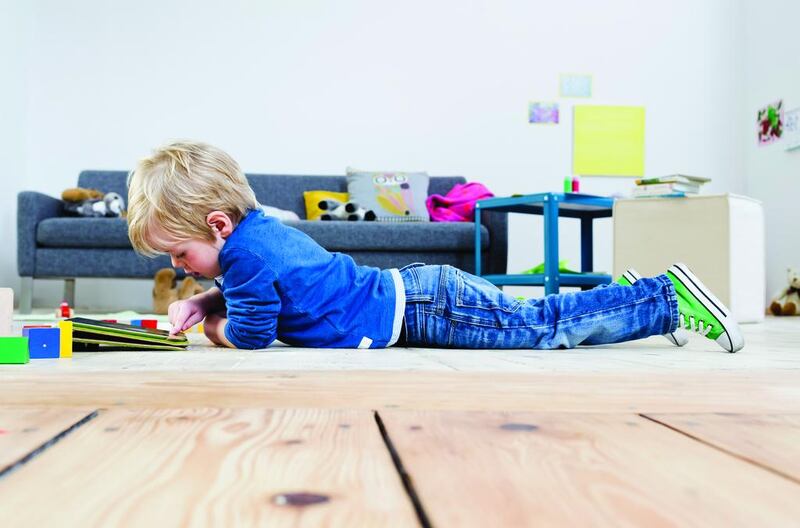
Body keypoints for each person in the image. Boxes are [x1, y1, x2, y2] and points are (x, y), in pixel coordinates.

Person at [126, 141, 744, 353]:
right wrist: (206, 301)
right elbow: (248, 291)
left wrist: (209, 328)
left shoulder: (245, 256)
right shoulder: (254, 236)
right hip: (419, 294)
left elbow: (253, 334)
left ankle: (661, 300)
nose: (180, 268)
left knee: (540, 329)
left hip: (423, 309)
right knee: (535, 320)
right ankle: (626, 298)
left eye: (180, 254)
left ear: (217, 225)